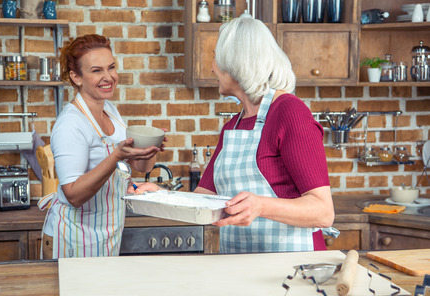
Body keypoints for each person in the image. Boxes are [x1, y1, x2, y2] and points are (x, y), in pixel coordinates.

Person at [134, 17, 335, 254]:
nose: (212, 67)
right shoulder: (233, 126)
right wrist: (161, 196)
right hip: (239, 264)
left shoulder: (289, 112)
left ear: (236, 62)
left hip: (290, 266)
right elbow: (203, 199)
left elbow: (323, 212)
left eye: (215, 57)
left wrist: (261, 206)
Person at [38, 34, 165, 259]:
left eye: (111, 67)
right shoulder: (70, 124)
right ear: (77, 77)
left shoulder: (111, 111)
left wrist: (149, 150)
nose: (109, 77)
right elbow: (73, 195)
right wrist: (116, 155)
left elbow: (140, 167)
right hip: (74, 237)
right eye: (97, 70)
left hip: (107, 234)